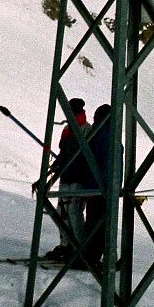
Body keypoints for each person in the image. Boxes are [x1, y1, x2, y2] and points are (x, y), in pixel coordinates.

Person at [45, 96, 87, 260]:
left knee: (74, 213)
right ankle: (65, 244)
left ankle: (78, 247)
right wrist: (58, 163)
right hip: (66, 176)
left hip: (79, 178)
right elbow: (63, 152)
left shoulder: (86, 129)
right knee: (62, 212)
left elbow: (86, 155)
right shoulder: (67, 129)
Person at [83, 103, 114, 268]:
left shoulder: (99, 136)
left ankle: (91, 255)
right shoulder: (107, 136)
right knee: (99, 223)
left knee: (94, 222)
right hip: (102, 188)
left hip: (97, 187)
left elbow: (101, 165)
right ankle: (94, 255)